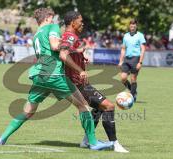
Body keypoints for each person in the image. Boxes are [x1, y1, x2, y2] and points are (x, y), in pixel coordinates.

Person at [0, 8, 111, 151]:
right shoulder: (52, 27)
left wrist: (73, 50)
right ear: (48, 18)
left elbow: (50, 48)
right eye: (52, 17)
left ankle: (1, 138)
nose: (54, 21)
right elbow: (55, 46)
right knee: (83, 105)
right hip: (54, 74)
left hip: (39, 76)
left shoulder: (36, 35)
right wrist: (70, 47)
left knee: (28, 111)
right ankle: (93, 143)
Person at [60, 11, 129, 153]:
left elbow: (67, 52)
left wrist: (79, 55)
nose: (82, 23)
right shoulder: (70, 37)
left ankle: (86, 140)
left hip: (78, 83)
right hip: (75, 83)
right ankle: (114, 143)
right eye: (80, 20)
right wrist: (80, 70)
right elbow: (63, 55)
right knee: (109, 106)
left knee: (98, 107)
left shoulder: (69, 37)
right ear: (73, 22)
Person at [118, 19, 146, 102]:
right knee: (123, 78)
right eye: (131, 26)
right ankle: (133, 91)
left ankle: (132, 95)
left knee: (133, 78)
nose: (132, 27)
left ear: (136, 26)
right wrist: (120, 61)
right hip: (127, 59)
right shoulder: (126, 35)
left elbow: (143, 49)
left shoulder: (140, 35)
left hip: (135, 58)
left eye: (134, 26)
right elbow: (123, 49)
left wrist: (140, 62)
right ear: (129, 26)